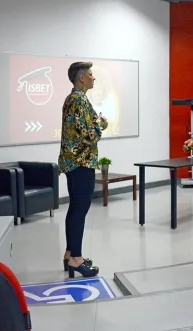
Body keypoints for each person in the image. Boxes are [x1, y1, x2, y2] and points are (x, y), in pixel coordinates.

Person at [58, 62, 107, 278]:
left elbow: (82, 127)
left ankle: (70, 254)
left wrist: (96, 123)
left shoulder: (76, 99)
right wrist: (100, 127)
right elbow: (86, 134)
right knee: (80, 210)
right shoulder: (77, 100)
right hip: (80, 163)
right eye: (90, 74)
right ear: (81, 78)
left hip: (75, 162)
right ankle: (76, 259)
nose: (93, 77)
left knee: (75, 208)